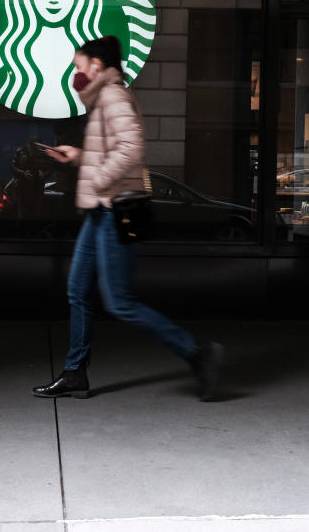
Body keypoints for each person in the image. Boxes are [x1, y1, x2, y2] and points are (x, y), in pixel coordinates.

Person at [32, 35, 223, 401]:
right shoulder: (105, 98)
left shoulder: (114, 96)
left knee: (119, 302)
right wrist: (78, 156)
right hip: (101, 209)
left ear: (97, 66)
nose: (76, 72)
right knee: (77, 290)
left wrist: (99, 179)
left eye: (79, 66)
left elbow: (132, 149)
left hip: (114, 207)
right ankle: (74, 373)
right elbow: (112, 149)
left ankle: (198, 354)